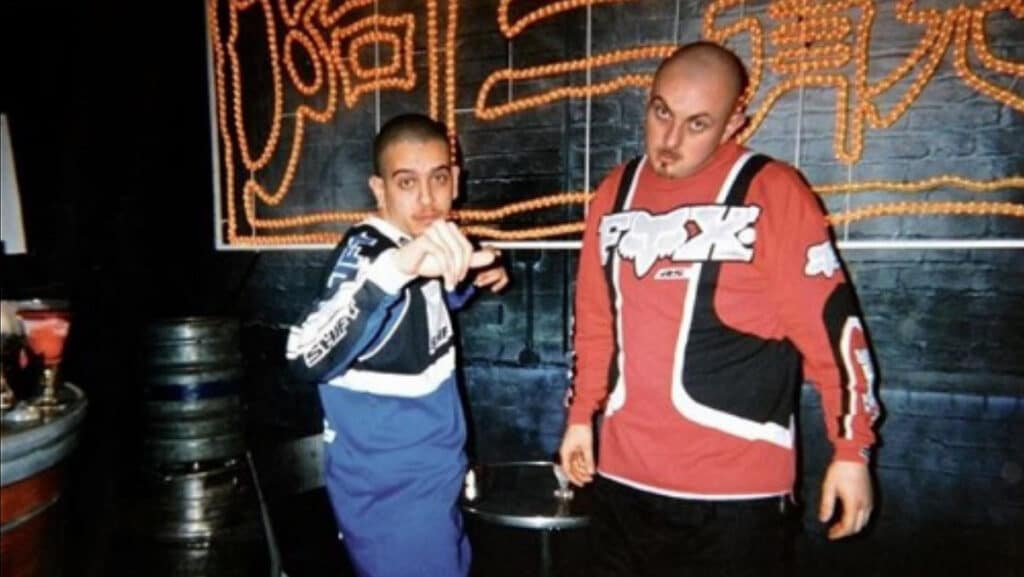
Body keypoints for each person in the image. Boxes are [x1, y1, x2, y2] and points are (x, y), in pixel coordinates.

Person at [558, 41, 881, 576]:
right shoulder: (615, 192)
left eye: (697, 124)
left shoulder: (774, 191)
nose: (670, 141)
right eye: (662, 112)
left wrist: (851, 451)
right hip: (621, 482)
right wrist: (579, 418)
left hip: (735, 500)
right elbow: (595, 322)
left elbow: (833, 333)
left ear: (734, 123)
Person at [286, 113, 508, 577]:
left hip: (433, 488)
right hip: (393, 507)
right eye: (407, 182)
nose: (427, 199)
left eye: (438, 179)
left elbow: (421, 308)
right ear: (379, 189)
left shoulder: (420, 243)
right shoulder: (372, 256)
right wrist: (395, 270)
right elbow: (303, 356)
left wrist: (471, 280)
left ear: (456, 181)